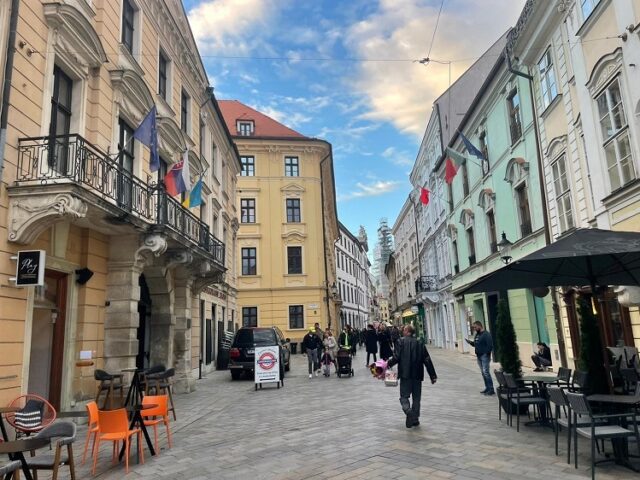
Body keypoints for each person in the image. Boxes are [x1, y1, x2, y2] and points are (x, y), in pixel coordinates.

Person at [387, 324, 437, 428]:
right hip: (417, 375)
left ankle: (408, 411)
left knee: (404, 396)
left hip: (405, 375)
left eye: (404, 329)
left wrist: (386, 365)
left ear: (407, 331)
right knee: (416, 397)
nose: (402, 331)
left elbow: (396, 357)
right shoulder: (420, 343)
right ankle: (415, 419)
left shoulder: (400, 342)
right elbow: (427, 360)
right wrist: (433, 375)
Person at [465, 321, 495, 395]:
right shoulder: (477, 334)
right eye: (473, 327)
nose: (474, 329)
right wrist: (471, 343)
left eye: (475, 327)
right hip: (479, 356)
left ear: (479, 326)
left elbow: (490, 345)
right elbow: (476, 344)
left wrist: (486, 354)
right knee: (483, 373)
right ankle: (487, 388)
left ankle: (491, 389)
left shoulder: (486, 334)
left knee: (486, 372)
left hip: (484, 356)